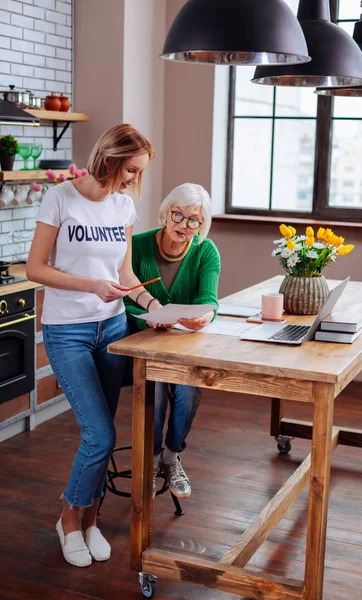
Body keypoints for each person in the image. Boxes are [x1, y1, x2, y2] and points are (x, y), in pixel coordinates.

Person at [26, 124, 163, 568]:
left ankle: (91, 521)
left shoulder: (124, 206)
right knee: (99, 434)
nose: (133, 180)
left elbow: (123, 275)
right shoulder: (61, 198)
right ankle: (69, 519)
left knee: (101, 437)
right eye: (131, 170)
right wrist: (90, 286)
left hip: (113, 329)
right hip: (68, 331)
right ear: (110, 159)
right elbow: (35, 268)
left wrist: (152, 304)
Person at [124, 183, 221, 500]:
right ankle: (151, 459)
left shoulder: (206, 251)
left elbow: (209, 301)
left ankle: (171, 455)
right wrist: (146, 316)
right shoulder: (137, 246)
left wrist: (206, 317)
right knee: (157, 392)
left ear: (201, 224)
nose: (184, 225)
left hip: (184, 346)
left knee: (189, 392)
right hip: (143, 342)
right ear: (166, 212)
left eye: (194, 220)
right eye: (178, 215)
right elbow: (123, 299)